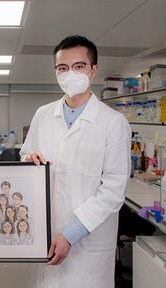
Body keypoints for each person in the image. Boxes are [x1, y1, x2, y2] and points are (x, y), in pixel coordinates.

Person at [20, 35, 131, 288]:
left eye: (79, 66)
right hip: (45, 235)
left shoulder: (113, 123)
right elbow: (25, 156)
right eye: (62, 68)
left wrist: (72, 235)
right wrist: (28, 159)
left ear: (93, 71)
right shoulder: (43, 115)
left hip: (88, 245)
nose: (70, 73)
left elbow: (113, 190)